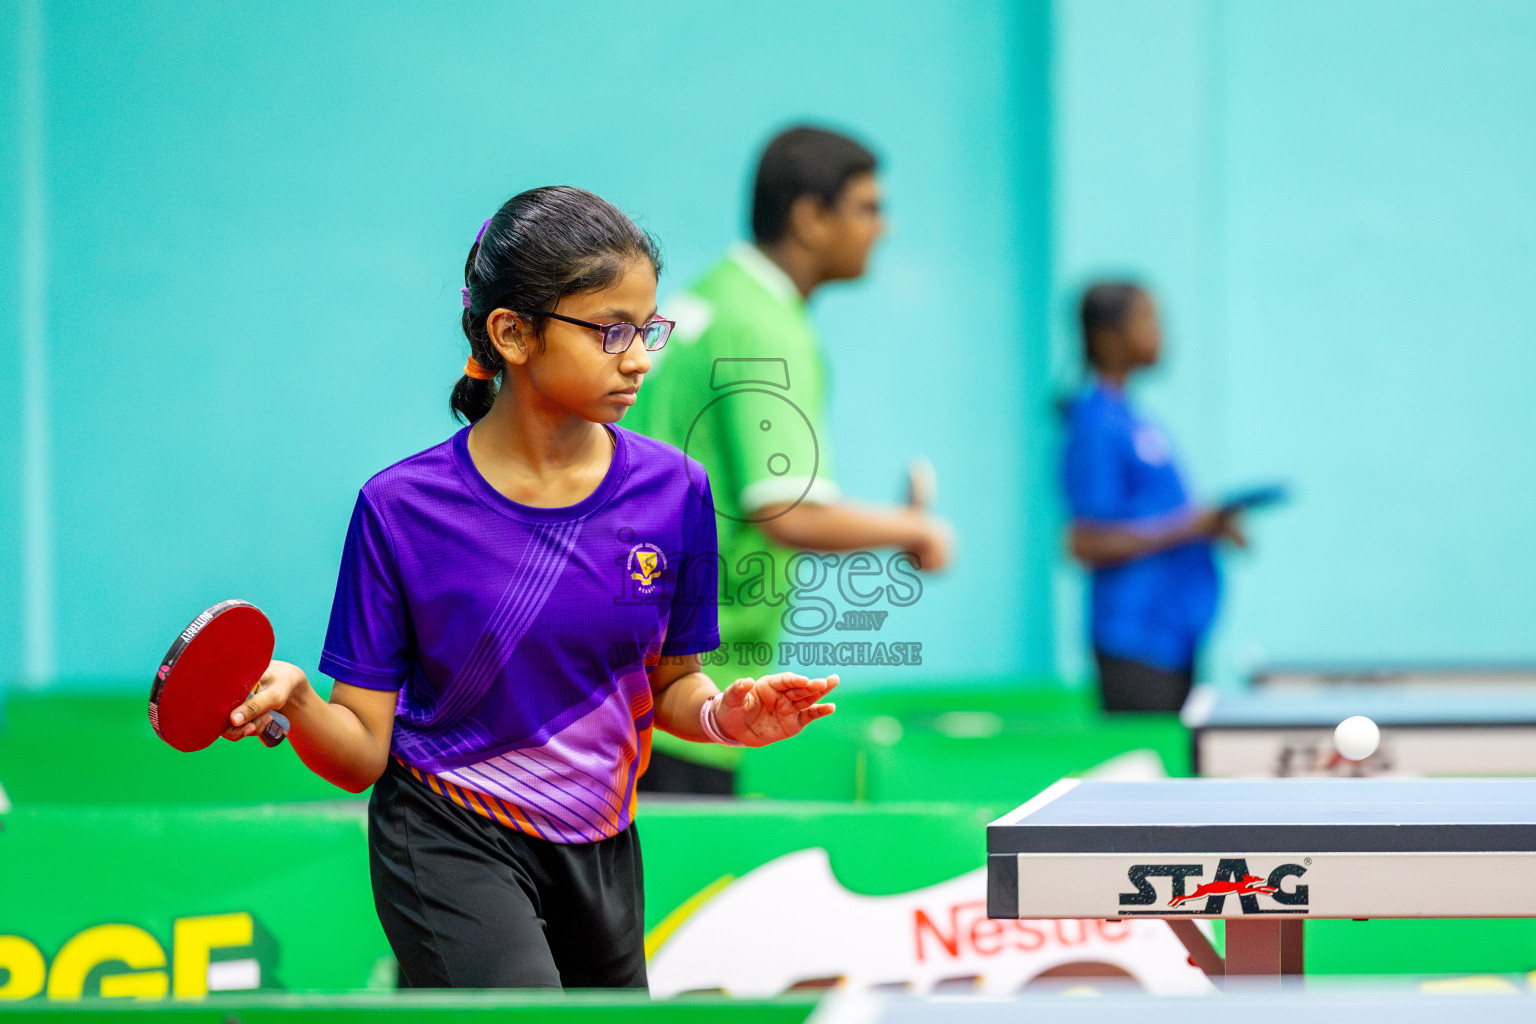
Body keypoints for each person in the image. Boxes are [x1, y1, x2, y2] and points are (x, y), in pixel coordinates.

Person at [221, 187, 838, 989]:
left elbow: (672, 684)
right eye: (612, 331)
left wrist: (726, 715)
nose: (641, 357)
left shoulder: (674, 490)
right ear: (513, 333)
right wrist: (302, 703)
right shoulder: (401, 509)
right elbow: (362, 753)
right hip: (448, 832)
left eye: (648, 328)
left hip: (602, 844)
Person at [626, 126, 952, 794]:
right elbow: (785, 509)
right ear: (810, 217)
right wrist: (914, 529)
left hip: (632, 682)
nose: (882, 228)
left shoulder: (713, 297)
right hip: (689, 693)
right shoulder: (766, 325)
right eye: (867, 208)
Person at [1062, 281, 1244, 713]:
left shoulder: (1136, 420)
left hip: (1173, 636)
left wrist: (1208, 527)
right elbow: (1084, 542)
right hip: (1135, 640)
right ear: (1107, 337)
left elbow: (1159, 519)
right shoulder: (1096, 425)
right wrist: (1191, 525)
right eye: (1146, 320)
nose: (1160, 333)